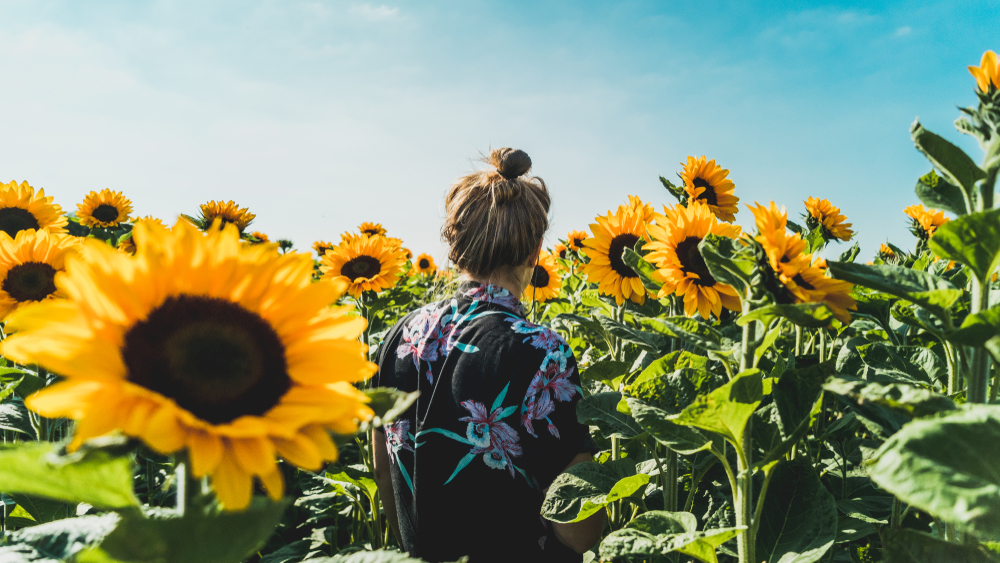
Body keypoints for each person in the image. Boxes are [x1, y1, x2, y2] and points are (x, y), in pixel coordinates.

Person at [371, 148, 605, 563]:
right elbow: (578, 531)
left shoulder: (397, 338)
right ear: (535, 252)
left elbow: (386, 475)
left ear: (455, 246)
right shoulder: (541, 353)